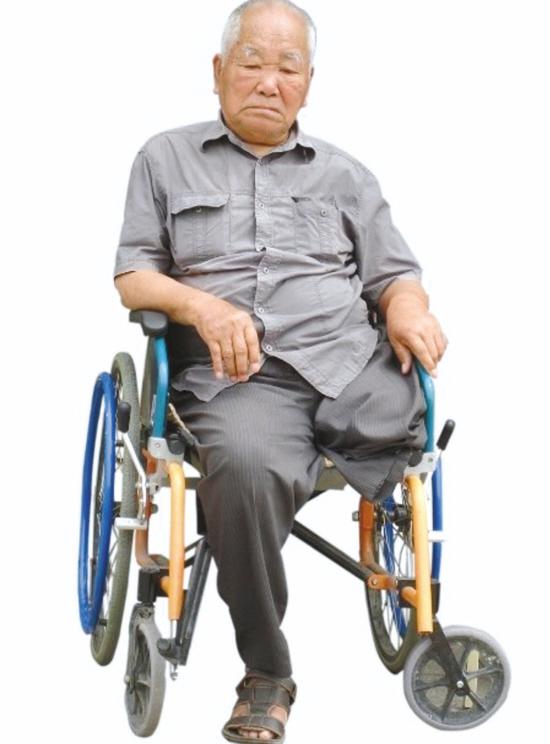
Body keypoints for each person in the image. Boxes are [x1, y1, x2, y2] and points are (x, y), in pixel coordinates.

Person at [113, 1, 447, 740]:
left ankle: (261, 501)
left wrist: (406, 308)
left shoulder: (346, 175)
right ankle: (266, 670)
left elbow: (396, 274)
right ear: (218, 71)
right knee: (246, 464)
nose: (269, 81)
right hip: (239, 377)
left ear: (308, 83)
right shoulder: (164, 158)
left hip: (346, 362)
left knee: (407, 418)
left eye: (287, 67)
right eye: (253, 62)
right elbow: (134, 277)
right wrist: (202, 307)